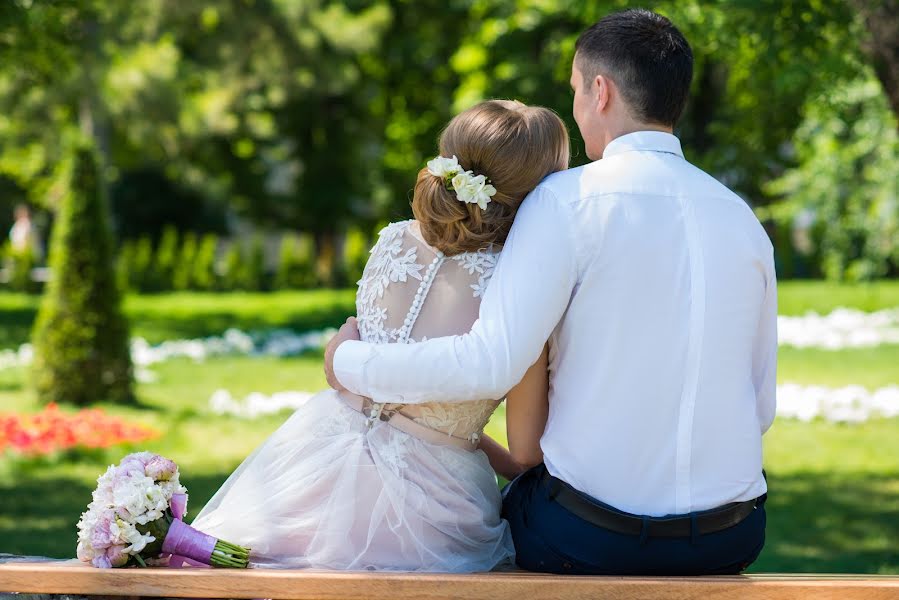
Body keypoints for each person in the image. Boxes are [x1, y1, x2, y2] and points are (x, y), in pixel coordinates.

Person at [325, 8, 776, 575]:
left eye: (574, 92)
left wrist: (350, 362)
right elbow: (759, 407)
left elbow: (489, 364)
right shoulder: (742, 220)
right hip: (731, 536)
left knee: (496, 514)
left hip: (590, 537)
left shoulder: (566, 200)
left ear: (600, 91)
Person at [191, 99, 570, 572]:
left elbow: (367, 374)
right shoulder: (516, 290)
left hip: (314, 458)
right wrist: (464, 433)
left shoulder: (392, 241)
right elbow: (524, 454)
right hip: (430, 504)